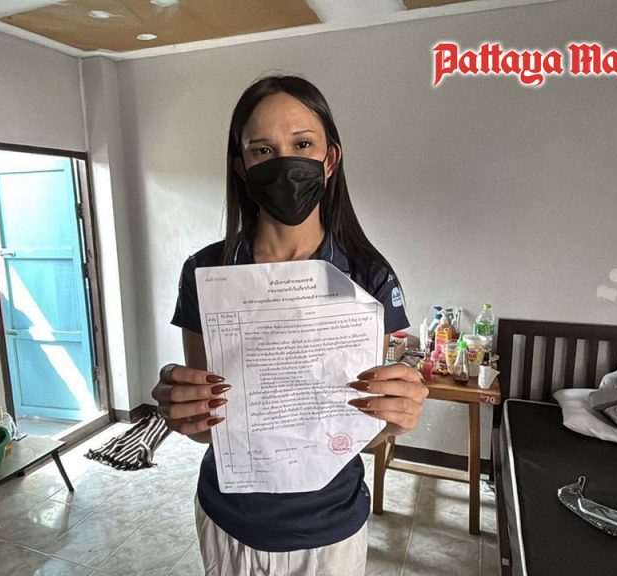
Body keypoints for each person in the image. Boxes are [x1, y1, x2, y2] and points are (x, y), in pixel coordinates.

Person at [152, 75, 426, 576]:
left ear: (330, 159)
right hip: (231, 520)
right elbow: (210, 427)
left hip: (331, 525)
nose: (283, 164)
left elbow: (369, 427)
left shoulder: (369, 277)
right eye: (262, 150)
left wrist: (395, 417)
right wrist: (184, 412)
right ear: (241, 166)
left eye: (302, 145)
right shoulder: (205, 272)